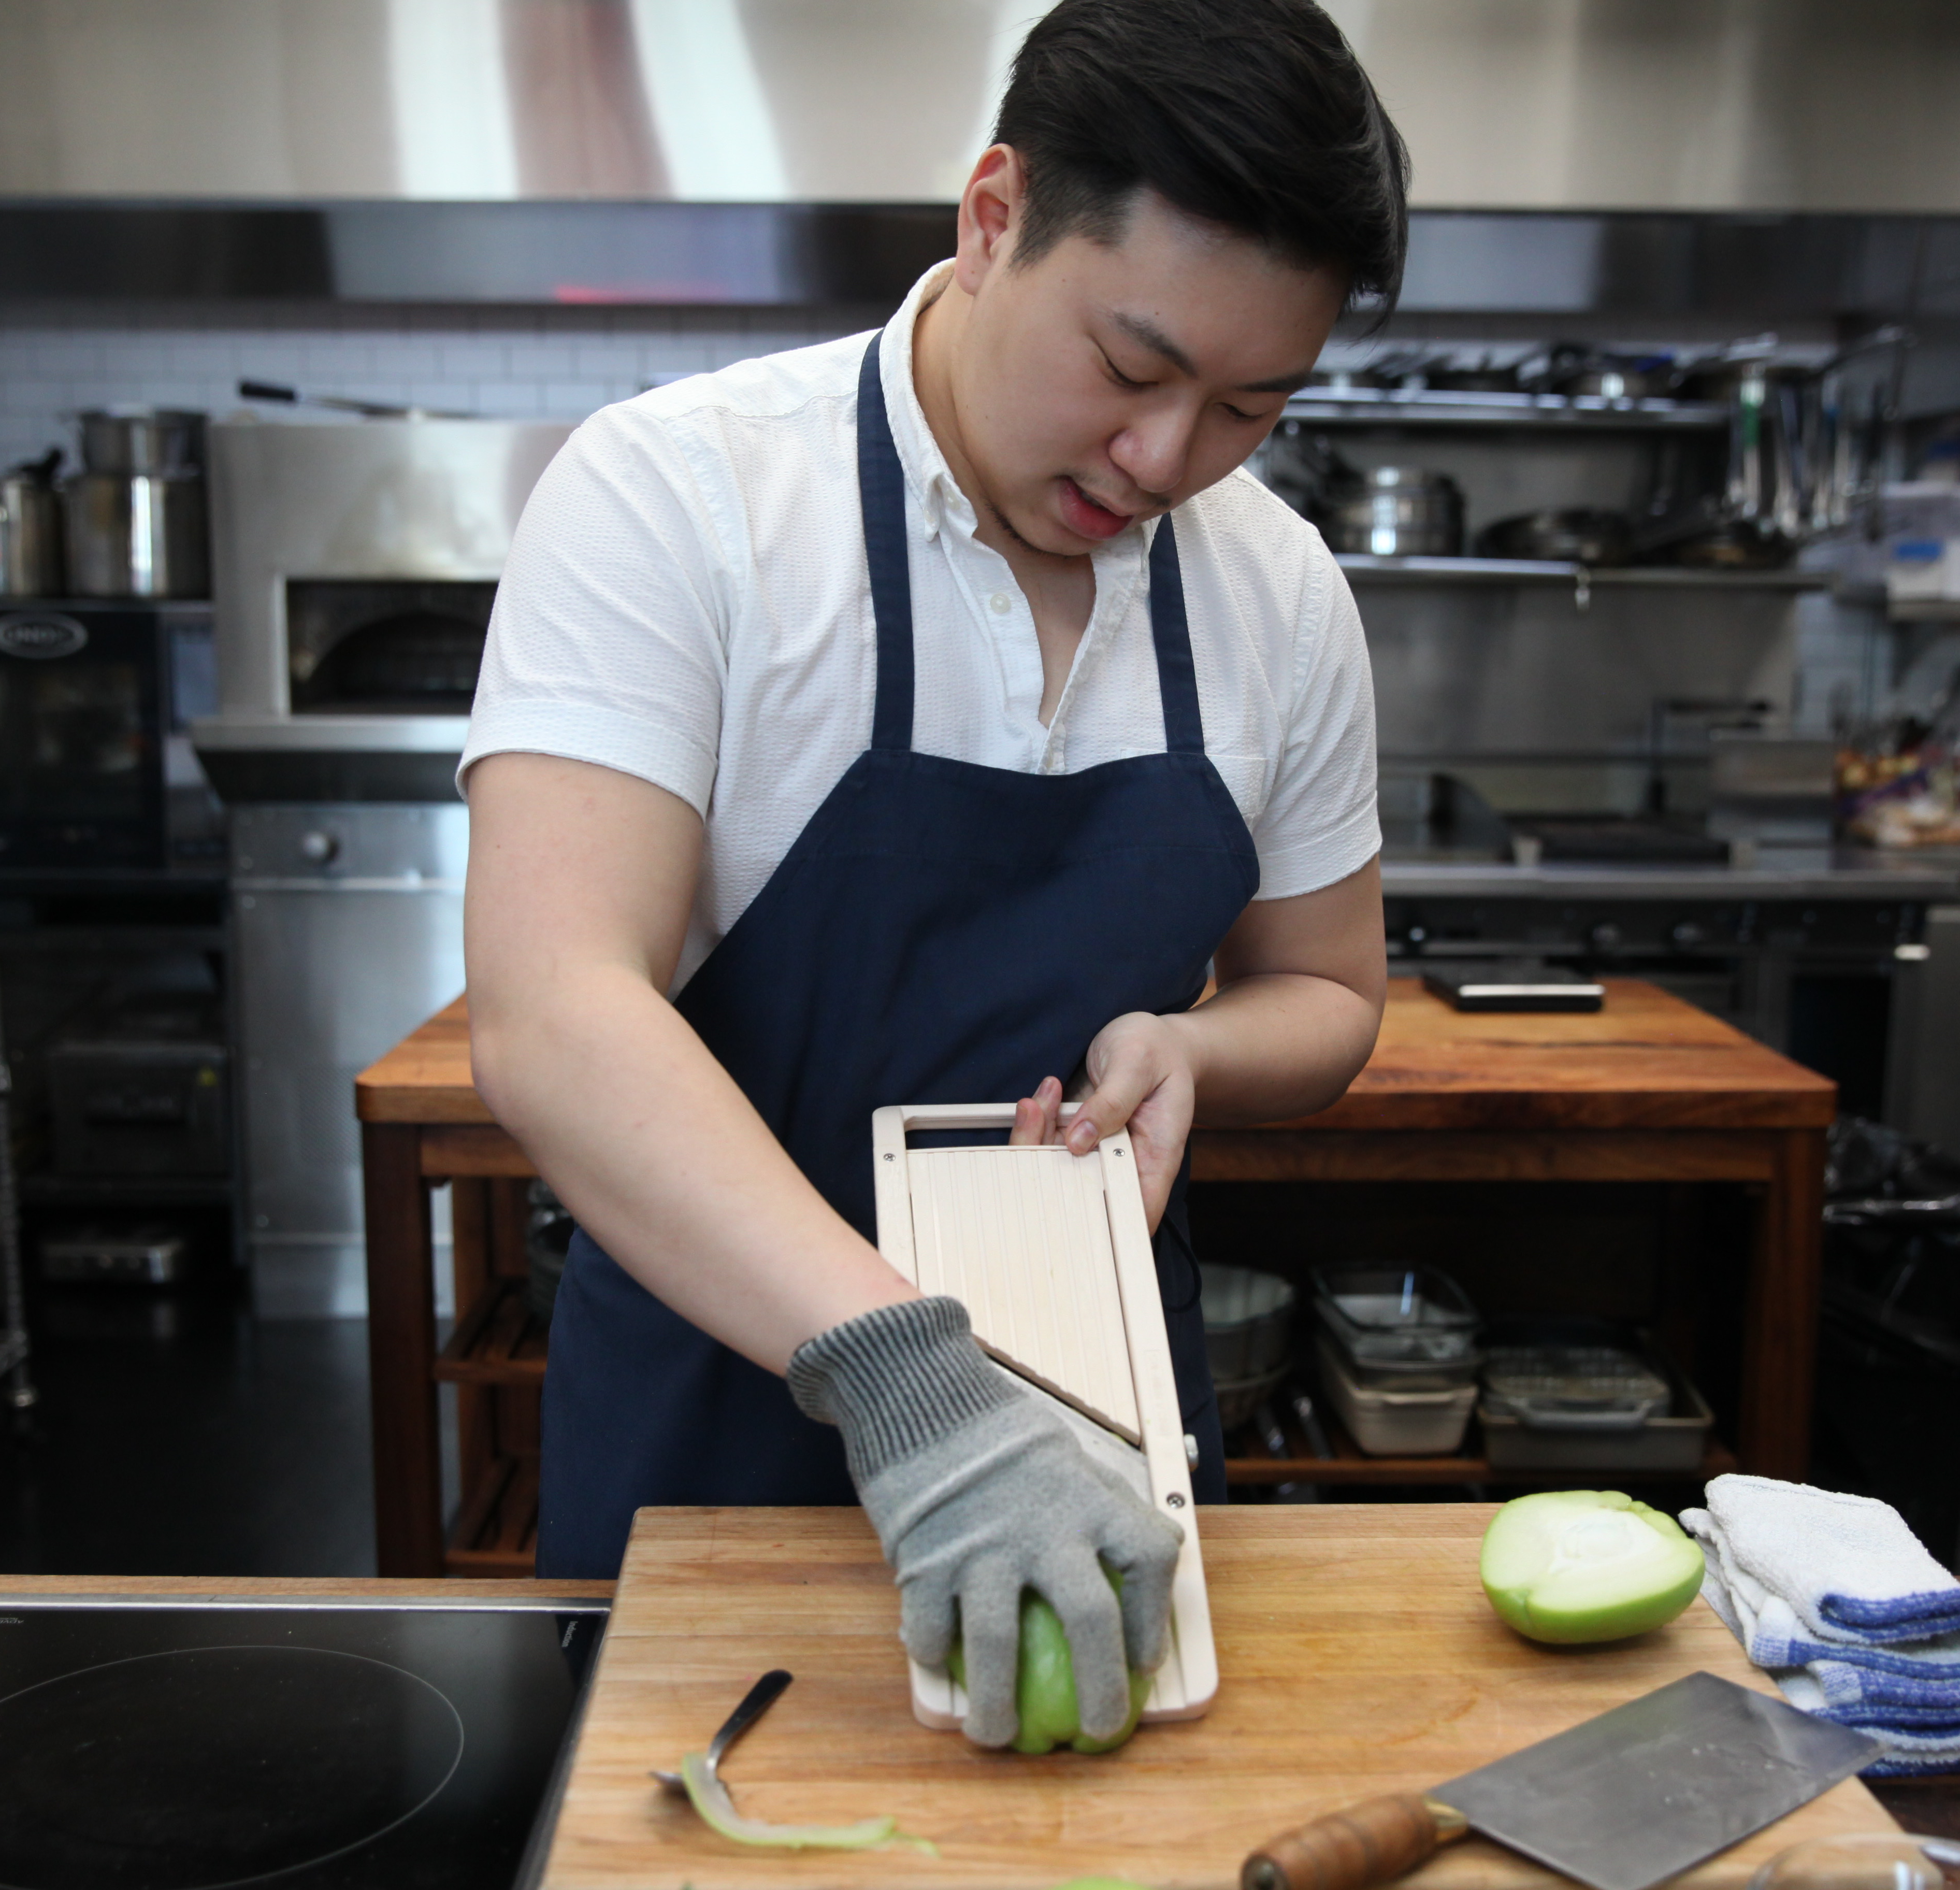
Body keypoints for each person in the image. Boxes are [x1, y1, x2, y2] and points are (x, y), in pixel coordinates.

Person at [459, 0, 1405, 1747]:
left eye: (1248, 409)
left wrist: (1200, 1051)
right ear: (992, 215)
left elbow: (1331, 994)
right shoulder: (688, 499)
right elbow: (551, 1010)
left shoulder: (1277, 594)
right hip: (713, 1438)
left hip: (1097, 1430)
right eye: (1131, 371)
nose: (1164, 462)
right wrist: (912, 1377)